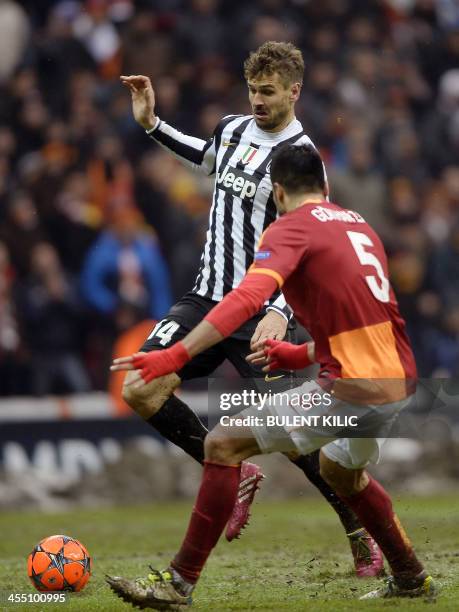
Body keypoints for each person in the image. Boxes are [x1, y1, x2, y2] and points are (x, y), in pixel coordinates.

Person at [107, 144, 435, 607]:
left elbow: (245, 300)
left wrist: (174, 354)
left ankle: (176, 584)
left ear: (277, 193)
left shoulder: (289, 228)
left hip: (353, 388)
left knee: (222, 444)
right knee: (341, 473)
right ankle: (410, 577)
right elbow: (364, 326)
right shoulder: (358, 224)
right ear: (327, 186)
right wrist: (297, 354)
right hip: (397, 380)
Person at [119, 41, 381, 567]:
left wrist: (280, 313)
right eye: (252, 90)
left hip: (259, 311)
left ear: (294, 92)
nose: (258, 100)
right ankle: (238, 474)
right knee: (140, 388)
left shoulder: (302, 160)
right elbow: (203, 156)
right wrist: (152, 123)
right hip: (205, 300)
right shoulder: (234, 128)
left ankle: (363, 536)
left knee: (300, 442)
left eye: (268, 92)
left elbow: (312, 246)